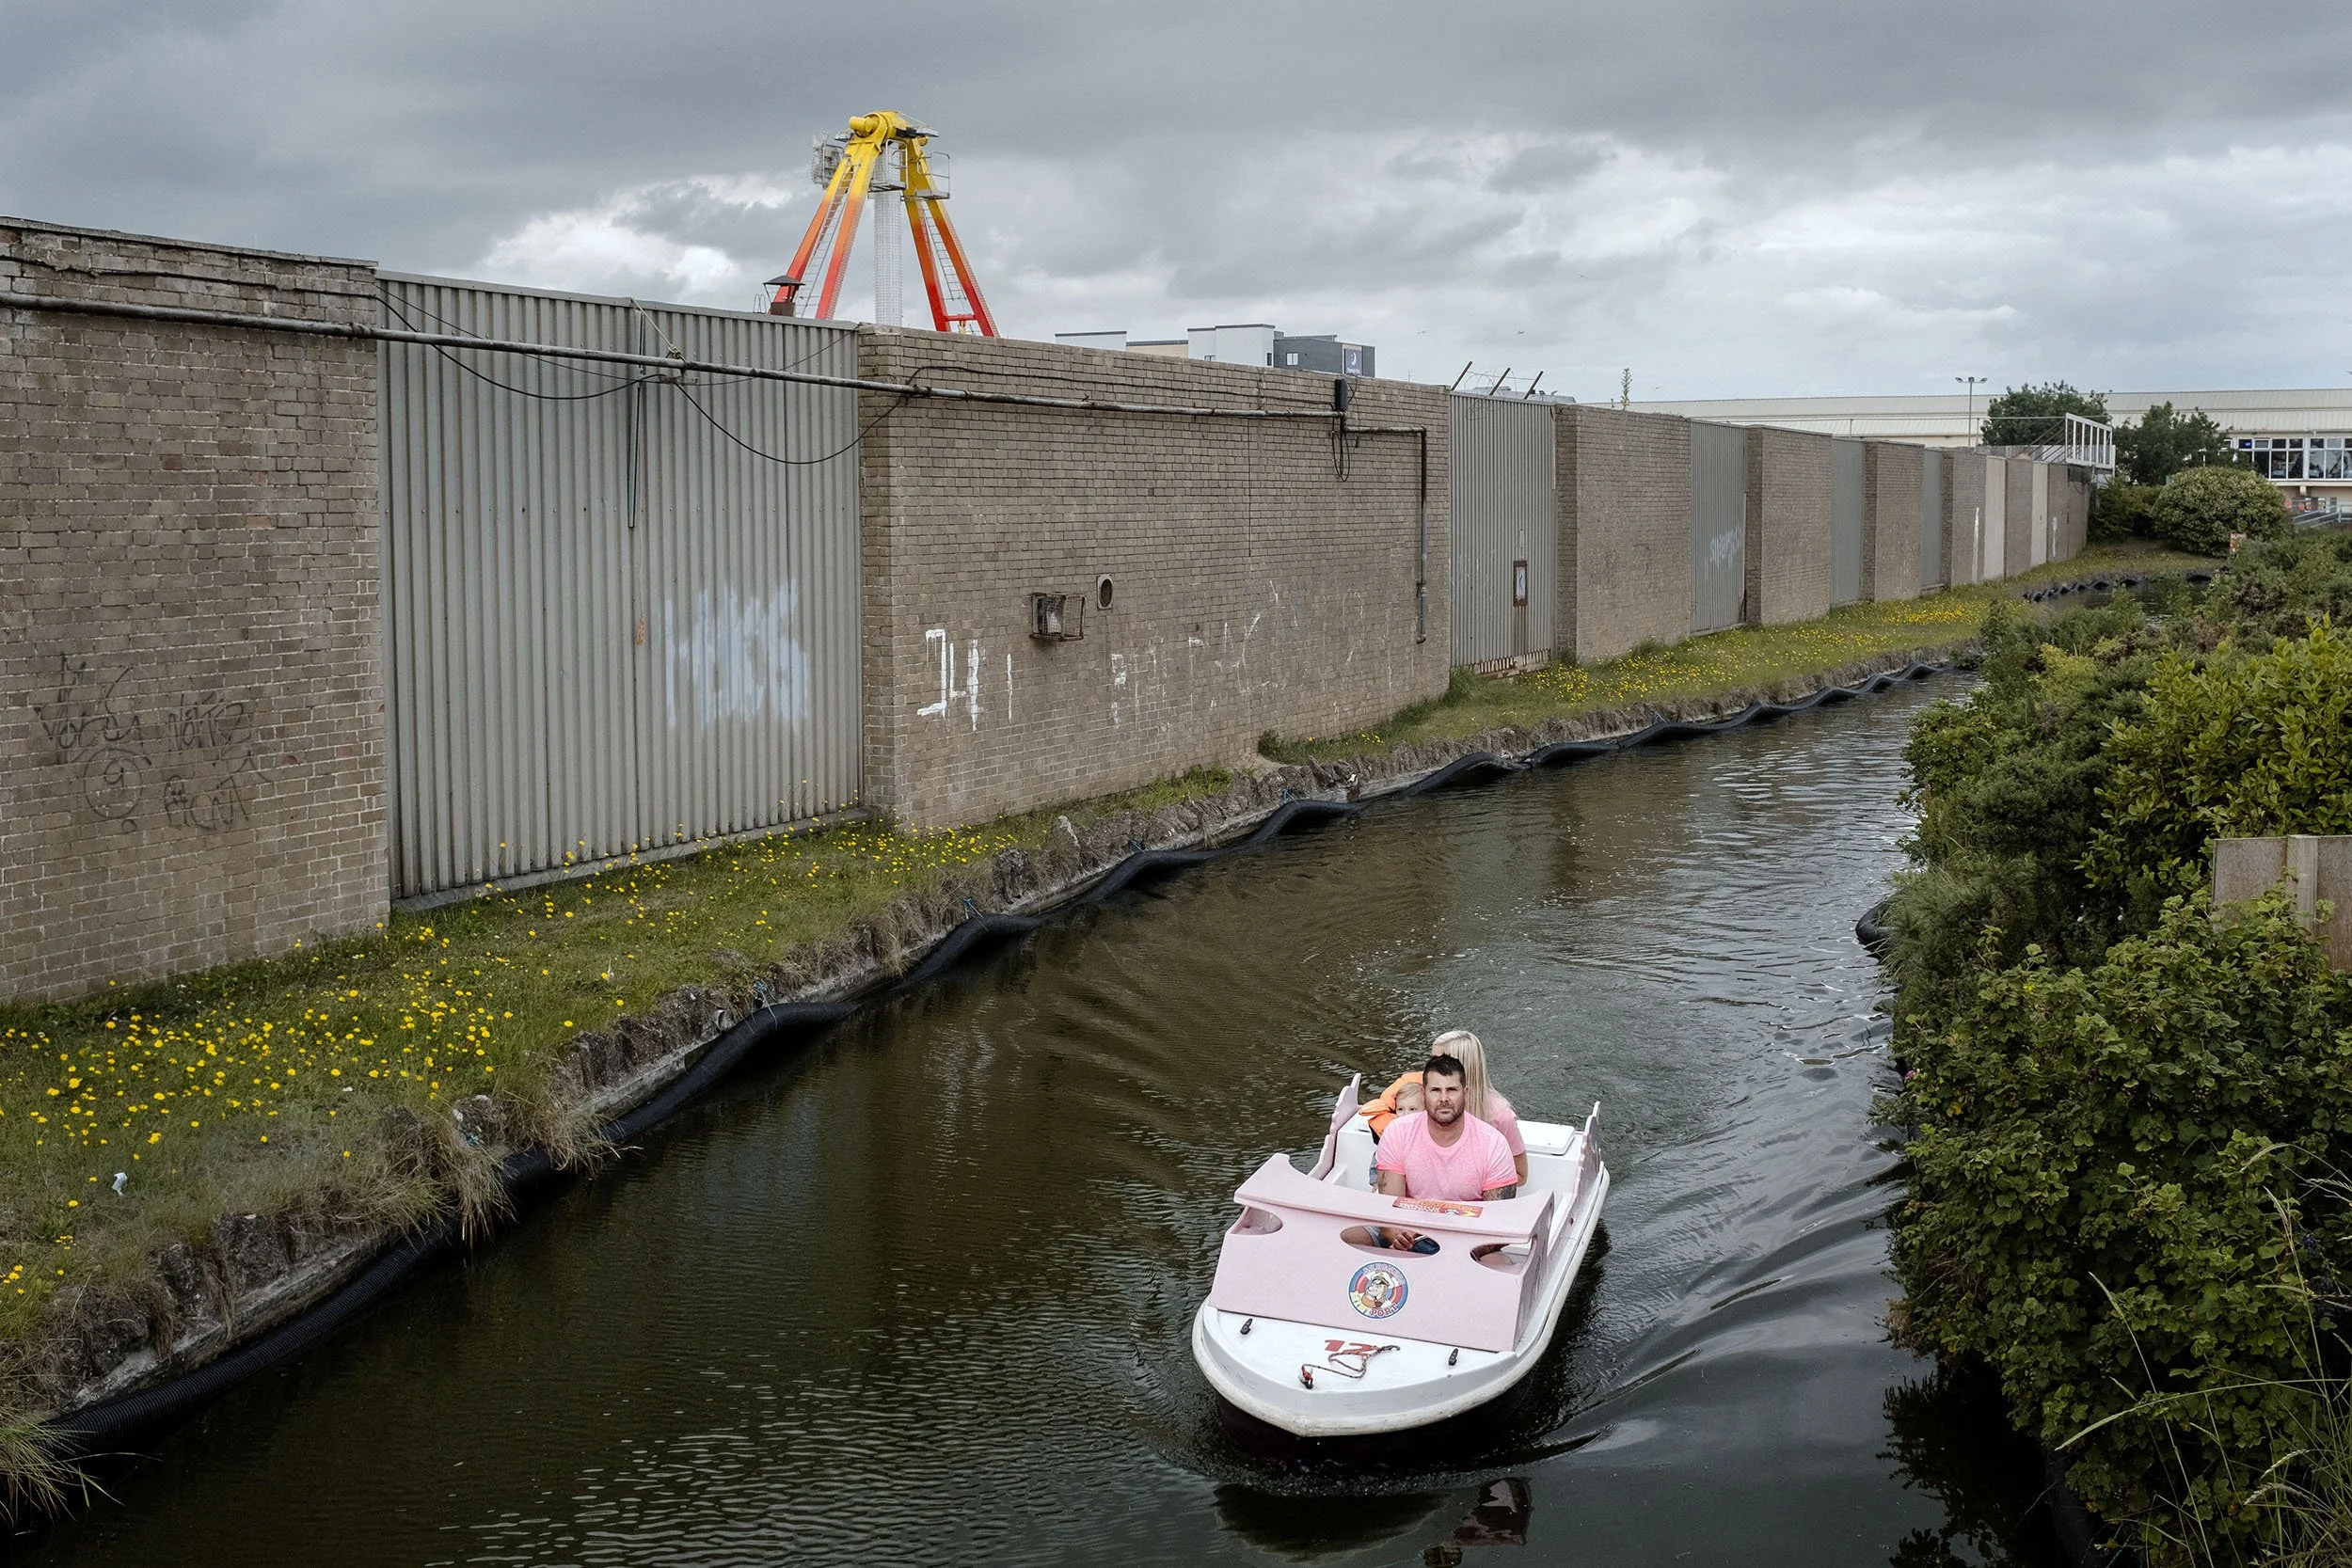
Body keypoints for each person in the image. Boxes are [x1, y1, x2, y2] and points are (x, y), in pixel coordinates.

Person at [1372, 1053, 1518, 1252]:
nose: (1443, 1099)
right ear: (1424, 1094)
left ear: (1465, 1093)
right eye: (1435, 1090)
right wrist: (1399, 1237)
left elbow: (1499, 1225)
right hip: (1406, 1232)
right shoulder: (1397, 1132)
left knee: (1500, 1271)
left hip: (1468, 1242)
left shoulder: (1494, 1144)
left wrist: (1456, 1251)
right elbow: (1388, 1211)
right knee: (1347, 1238)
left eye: (1451, 1090)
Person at [1431, 1028, 1529, 1186]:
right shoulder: (1426, 1104)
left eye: (1438, 1063)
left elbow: (1520, 1175)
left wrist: (1469, 1180)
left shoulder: (1500, 1116)